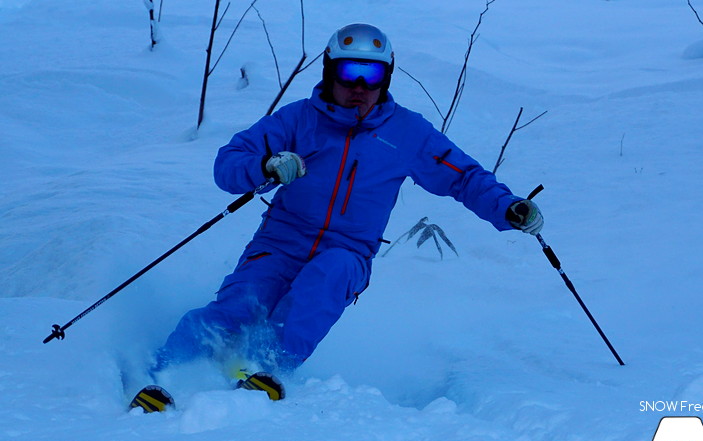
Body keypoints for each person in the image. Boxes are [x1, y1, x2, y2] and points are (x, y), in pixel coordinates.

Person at [143, 23, 543, 404]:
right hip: (279, 243)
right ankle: (164, 379)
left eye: (372, 75)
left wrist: (508, 207)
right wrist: (265, 166)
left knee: (327, 276)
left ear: (386, 78)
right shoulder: (298, 119)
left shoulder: (407, 133)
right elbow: (228, 162)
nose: (359, 87)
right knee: (239, 306)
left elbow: (464, 178)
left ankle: (265, 368)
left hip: (348, 251)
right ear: (329, 71)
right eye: (349, 72)